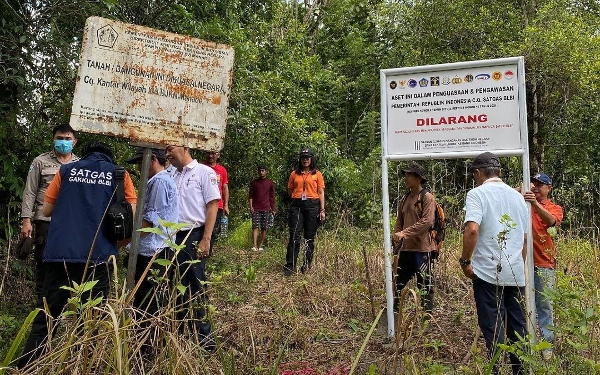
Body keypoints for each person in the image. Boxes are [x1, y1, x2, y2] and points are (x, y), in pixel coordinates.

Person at [18, 142, 137, 368]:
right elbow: (131, 217)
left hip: (60, 255)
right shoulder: (120, 175)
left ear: (85, 154)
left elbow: (46, 210)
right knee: (91, 321)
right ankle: (82, 367)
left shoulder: (66, 170)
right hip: (98, 257)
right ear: (109, 157)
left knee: (47, 317)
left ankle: (27, 368)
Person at [460, 152, 528, 375]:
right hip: (516, 273)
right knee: (518, 328)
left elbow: (472, 229)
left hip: (487, 273)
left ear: (479, 173)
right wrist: (518, 265)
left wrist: (465, 261)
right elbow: (525, 238)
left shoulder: (477, 194)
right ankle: (521, 370)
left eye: (474, 175)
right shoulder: (518, 197)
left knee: (493, 326)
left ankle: (495, 370)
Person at [165, 145, 220, 352]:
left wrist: (206, 238)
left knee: (196, 287)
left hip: (194, 234)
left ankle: (206, 343)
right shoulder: (171, 175)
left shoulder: (204, 172)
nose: (167, 154)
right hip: (172, 236)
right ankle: (179, 337)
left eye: (170, 149)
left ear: (185, 147)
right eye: (165, 150)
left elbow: (212, 205)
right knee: (176, 286)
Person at [20, 124, 79, 297]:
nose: (63, 142)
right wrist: (26, 220)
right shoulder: (40, 161)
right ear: (53, 140)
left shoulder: (81, 164)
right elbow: (30, 191)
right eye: (59, 138)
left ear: (74, 142)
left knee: (68, 262)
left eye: (67, 139)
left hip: (70, 222)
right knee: (43, 260)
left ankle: (63, 302)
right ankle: (42, 303)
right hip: (45, 220)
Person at [125, 148, 179, 312]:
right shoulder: (158, 180)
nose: (139, 168)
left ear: (152, 159)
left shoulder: (159, 182)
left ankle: (149, 338)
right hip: (152, 251)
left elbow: (150, 224)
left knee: (148, 304)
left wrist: (122, 243)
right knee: (146, 300)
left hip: (153, 254)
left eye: (141, 163)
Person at [522, 172, 563, 359]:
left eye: (541, 184)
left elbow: (551, 221)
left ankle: (547, 348)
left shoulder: (554, 208)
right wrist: (522, 190)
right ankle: (523, 344)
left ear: (549, 188)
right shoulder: (523, 202)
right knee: (520, 304)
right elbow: (506, 194)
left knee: (544, 306)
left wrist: (535, 204)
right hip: (520, 263)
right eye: (534, 184)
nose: (536, 187)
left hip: (543, 264)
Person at [392, 162, 436, 315]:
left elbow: (427, 222)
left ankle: (426, 318)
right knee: (397, 282)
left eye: (409, 175)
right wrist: (397, 236)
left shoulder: (427, 197)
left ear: (418, 178)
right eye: (405, 174)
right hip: (406, 249)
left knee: (425, 284)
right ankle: (395, 314)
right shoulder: (405, 198)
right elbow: (400, 220)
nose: (406, 178)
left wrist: (404, 233)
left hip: (422, 250)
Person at [283, 148, 325, 276]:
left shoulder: (317, 174)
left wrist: (322, 210)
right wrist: (297, 197)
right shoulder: (294, 174)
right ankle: (290, 266)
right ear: (300, 159)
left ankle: (306, 265)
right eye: (303, 157)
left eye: (307, 157)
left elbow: (321, 192)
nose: (305, 160)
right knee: (295, 236)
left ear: (311, 159)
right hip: (297, 206)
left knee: (309, 238)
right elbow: (290, 190)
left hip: (312, 206)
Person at [202, 150, 229, 253]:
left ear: (218, 155)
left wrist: (226, 205)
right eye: (208, 153)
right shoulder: (200, 167)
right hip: (202, 204)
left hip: (217, 206)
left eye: (213, 153)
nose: (210, 156)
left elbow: (225, 187)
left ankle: (207, 252)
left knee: (212, 231)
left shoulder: (222, 170)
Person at [249, 165, 276, 251]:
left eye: (263, 170)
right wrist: (251, 206)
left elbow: (272, 197)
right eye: (260, 171)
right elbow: (250, 195)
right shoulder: (254, 182)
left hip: (266, 208)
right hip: (256, 207)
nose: (261, 172)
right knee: (255, 226)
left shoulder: (270, 183)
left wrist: (273, 208)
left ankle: (261, 245)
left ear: (266, 171)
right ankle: (254, 245)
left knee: (264, 227)